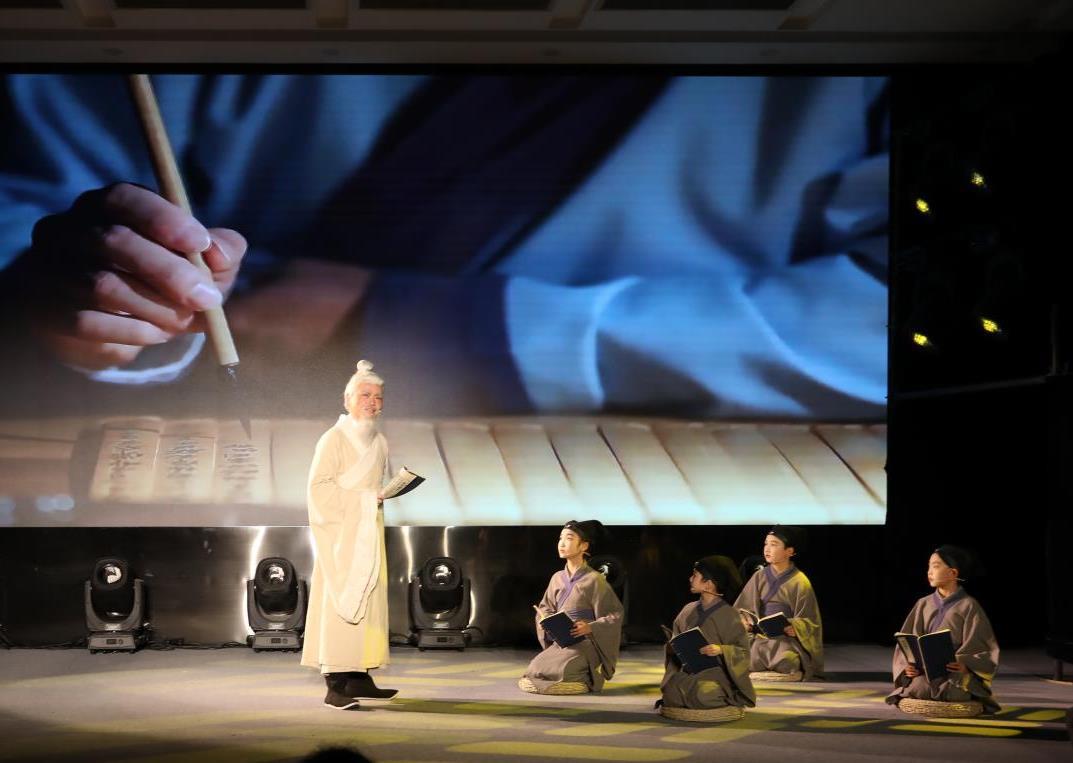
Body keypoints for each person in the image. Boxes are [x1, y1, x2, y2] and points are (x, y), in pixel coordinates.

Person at [0, 74, 888, 421]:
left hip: (647, 438)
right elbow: (27, 202)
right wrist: (81, 293)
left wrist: (457, 327)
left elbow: (884, 321)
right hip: (173, 400)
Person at [300, 359, 399, 710]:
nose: (372, 402)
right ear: (348, 400)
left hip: (368, 532)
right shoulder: (333, 439)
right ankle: (335, 684)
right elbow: (318, 489)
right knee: (339, 602)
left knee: (369, 603)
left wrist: (385, 493)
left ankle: (360, 676)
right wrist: (364, 500)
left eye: (378, 396)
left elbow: (375, 485)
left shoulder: (379, 441)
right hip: (341, 537)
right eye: (364, 395)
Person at [886, 545, 1000, 714]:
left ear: (953, 573)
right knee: (919, 687)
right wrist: (908, 667)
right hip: (924, 672)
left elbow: (982, 648)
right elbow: (908, 643)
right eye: (928, 566)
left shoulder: (968, 605)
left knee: (952, 692)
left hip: (952, 673)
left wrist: (965, 665)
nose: (929, 572)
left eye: (935, 566)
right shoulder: (923, 603)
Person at [519, 519, 623, 694]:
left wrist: (590, 627)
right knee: (534, 668)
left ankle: (587, 677)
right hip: (563, 641)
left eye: (569, 538)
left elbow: (614, 615)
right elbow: (546, 607)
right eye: (560, 538)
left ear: (583, 546)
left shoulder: (595, 579)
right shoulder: (557, 578)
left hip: (586, 642)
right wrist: (545, 619)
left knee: (565, 669)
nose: (562, 543)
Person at [659, 555, 756, 713]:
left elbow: (743, 651)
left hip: (716, 674)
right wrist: (671, 648)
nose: (690, 579)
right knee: (670, 692)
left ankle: (724, 695)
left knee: (704, 693)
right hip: (689, 671)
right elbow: (676, 638)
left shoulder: (730, 615)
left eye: (695, 575)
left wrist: (721, 650)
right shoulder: (687, 610)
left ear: (709, 584)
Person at [733, 525, 823, 680]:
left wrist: (794, 627)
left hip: (784, 640)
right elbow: (741, 608)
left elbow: (811, 621)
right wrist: (744, 620)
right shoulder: (759, 576)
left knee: (787, 659)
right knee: (737, 654)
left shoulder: (800, 582)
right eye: (766, 544)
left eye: (774, 544)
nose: (767, 549)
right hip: (759, 637)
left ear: (790, 551)